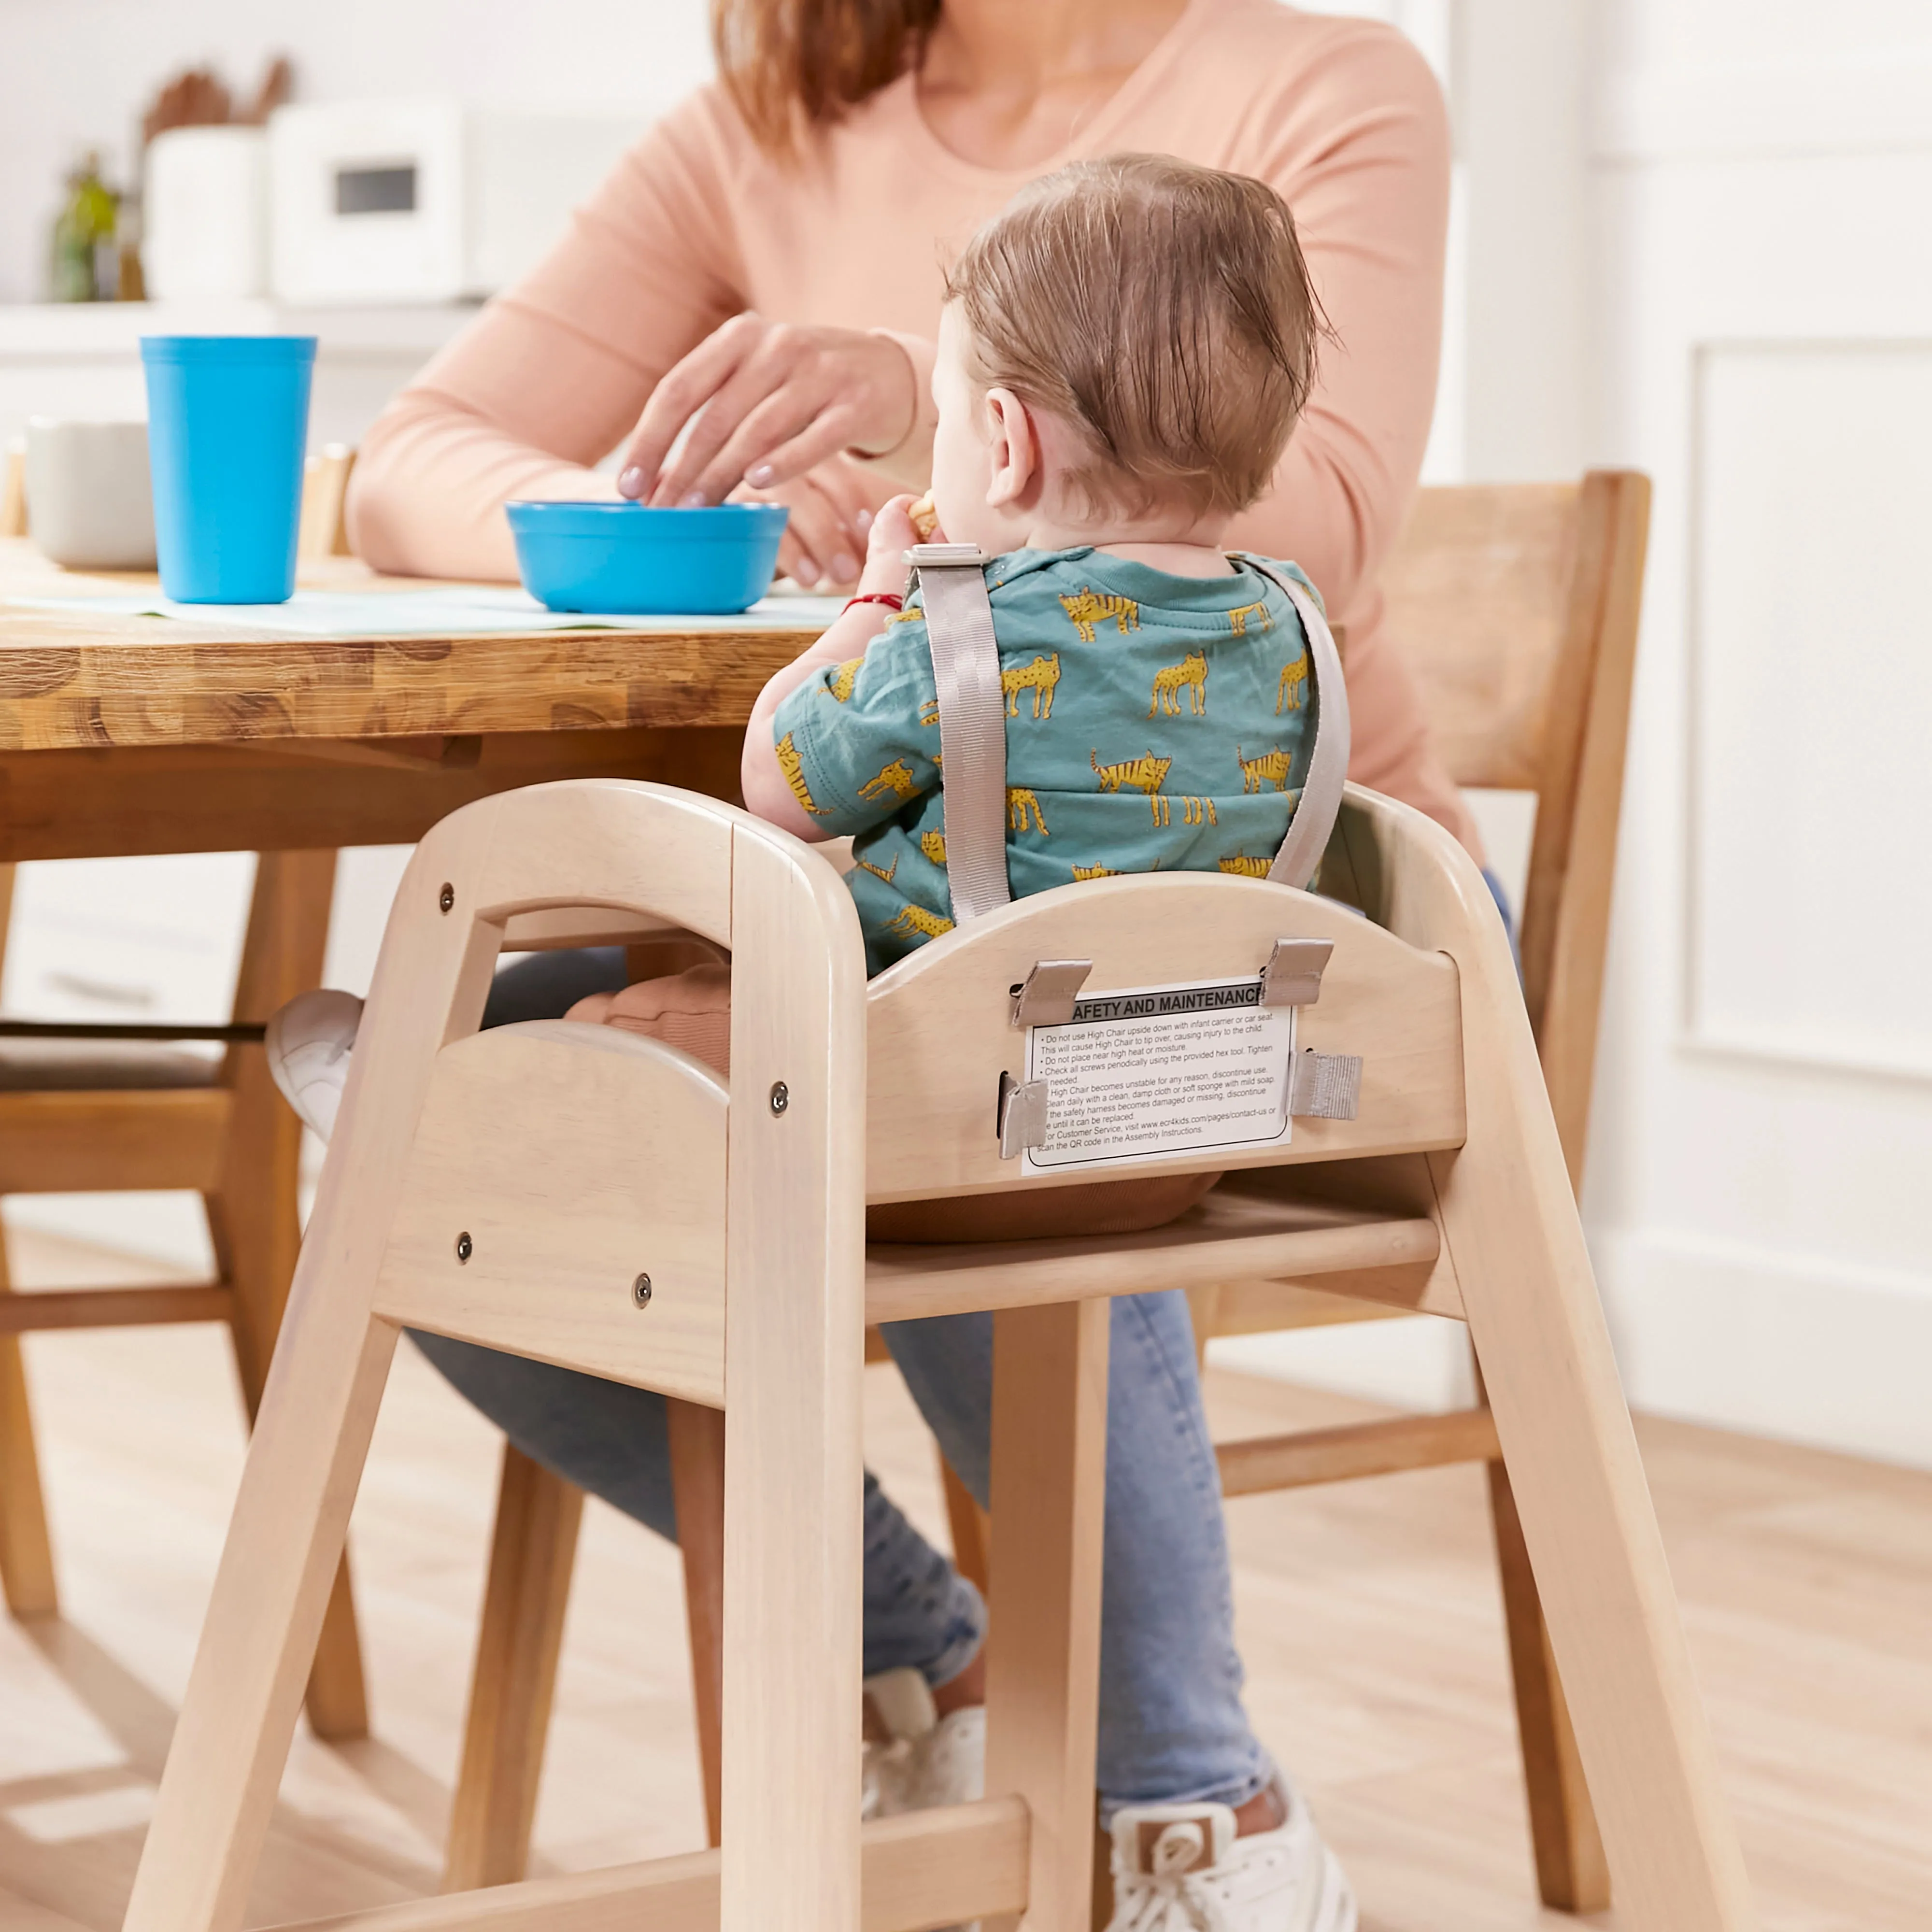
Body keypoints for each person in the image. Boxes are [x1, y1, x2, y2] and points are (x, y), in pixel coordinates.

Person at [334, 5, 1474, 1926]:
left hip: (1332, 960)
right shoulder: (761, 127)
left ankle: (1188, 1788)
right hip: (1107, 963)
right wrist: (669, 511)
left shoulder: (1324, 81)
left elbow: (1323, 510)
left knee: (977, 1055)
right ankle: (934, 1657)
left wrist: (932, 528)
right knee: (449, 1111)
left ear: (990, 427)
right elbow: (399, 467)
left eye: (956, 412)